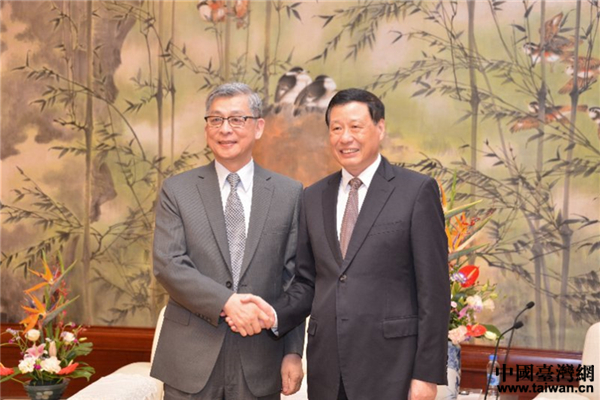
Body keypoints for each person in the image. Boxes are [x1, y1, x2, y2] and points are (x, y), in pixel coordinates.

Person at [236, 88, 450, 400]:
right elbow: (307, 282)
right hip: (327, 370)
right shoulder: (313, 197)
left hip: (393, 369)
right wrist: (273, 313)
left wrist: (426, 375)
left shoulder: (416, 191)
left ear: (380, 128)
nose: (345, 137)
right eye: (336, 128)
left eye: (355, 126)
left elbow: (434, 289)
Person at [151, 82, 305, 400]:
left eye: (236, 119)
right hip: (190, 358)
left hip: (261, 357)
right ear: (207, 128)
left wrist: (292, 352)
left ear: (258, 127)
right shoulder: (177, 190)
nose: (225, 129)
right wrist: (227, 302)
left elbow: (294, 281)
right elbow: (169, 264)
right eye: (216, 119)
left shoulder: (289, 193)